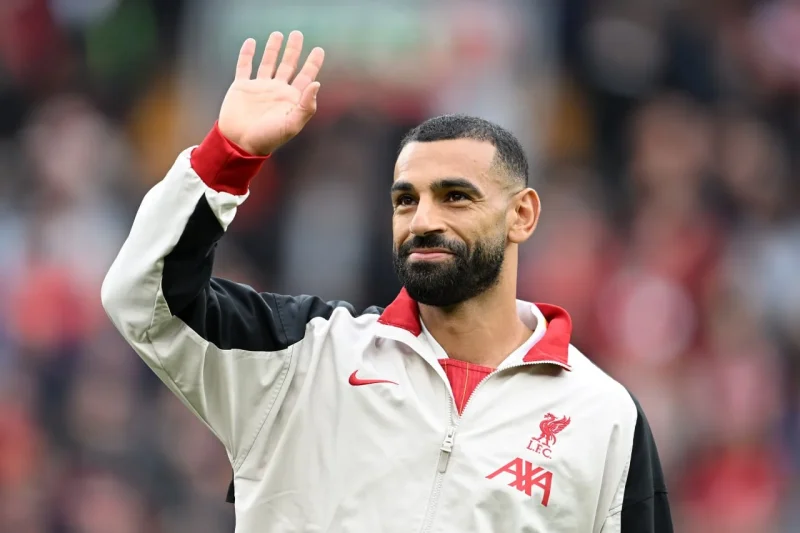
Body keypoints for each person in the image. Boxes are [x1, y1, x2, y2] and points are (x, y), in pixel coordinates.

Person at [101, 31, 672, 533]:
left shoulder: (605, 418)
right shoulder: (303, 356)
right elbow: (141, 297)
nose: (423, 220)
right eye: (406, 200)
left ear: (522, 215)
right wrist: (227, 157)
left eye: (455, 197)